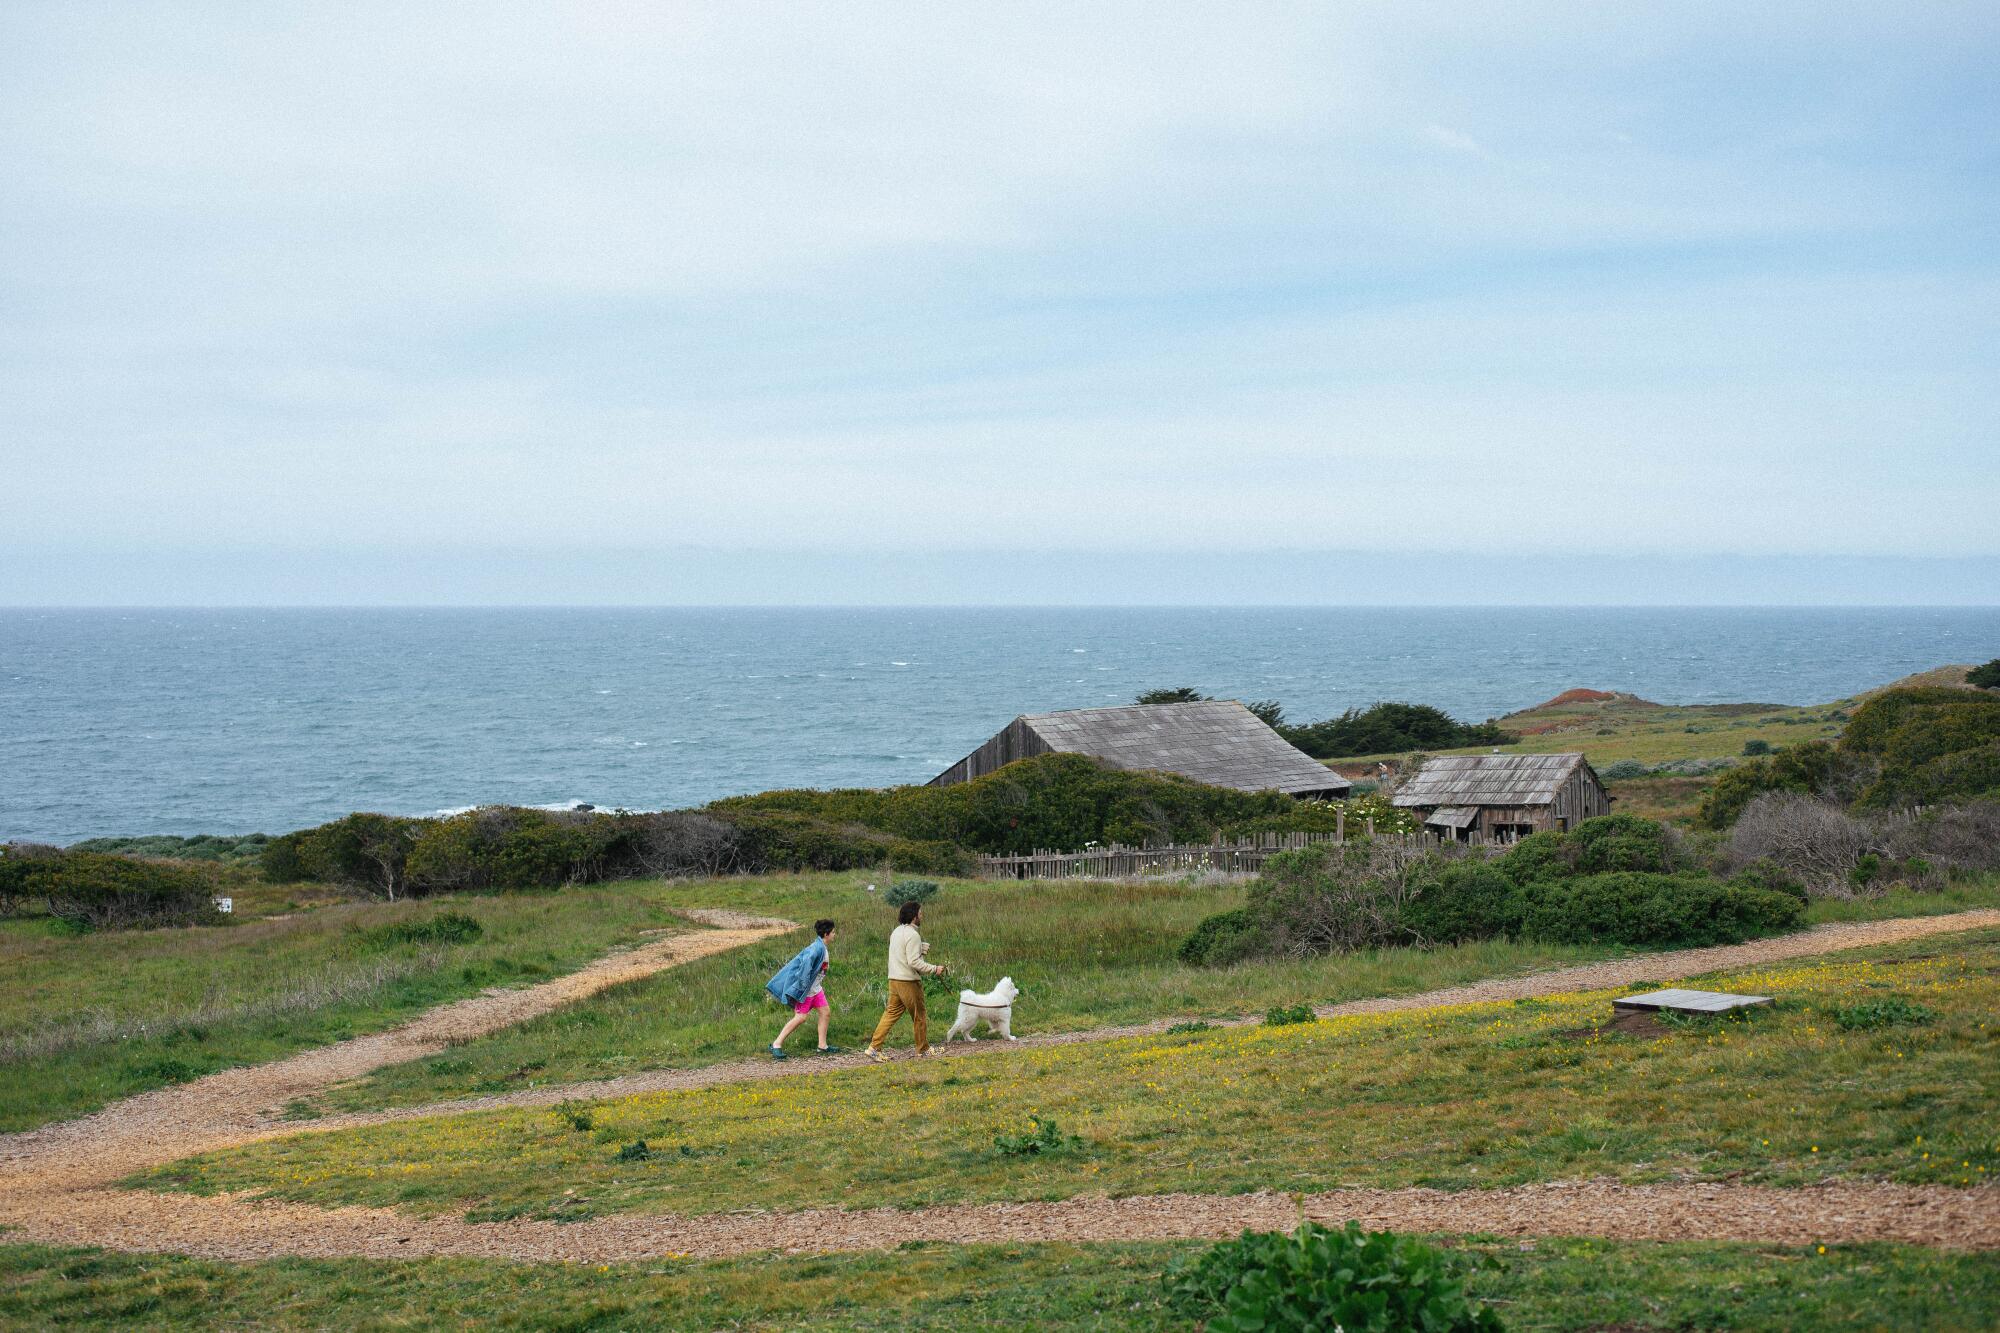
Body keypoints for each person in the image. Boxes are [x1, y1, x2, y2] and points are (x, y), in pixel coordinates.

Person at [866, 900, 944, 1061]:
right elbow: (913, 962)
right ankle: (923, 1049)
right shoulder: (913, 935)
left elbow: (902, 955)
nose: (922, 916)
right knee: (919, 1015)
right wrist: (934, 968)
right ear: (914, 916)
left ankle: (874, 1048)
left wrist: (920, 950)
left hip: (894, 979)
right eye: (920, 913)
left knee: (891, 1014)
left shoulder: (896, 931)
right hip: (908, 981)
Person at [765, 919, 840, 1059]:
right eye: (833, 932)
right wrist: (801, 986)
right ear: (826, 934)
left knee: (825, 1012)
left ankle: (822, 1046)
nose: (835, 934)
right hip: (807, 991)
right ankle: (776, 1044)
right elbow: (806, 965)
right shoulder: (817, 948)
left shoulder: (821, 946)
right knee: (800, 1018)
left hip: (816, 989)